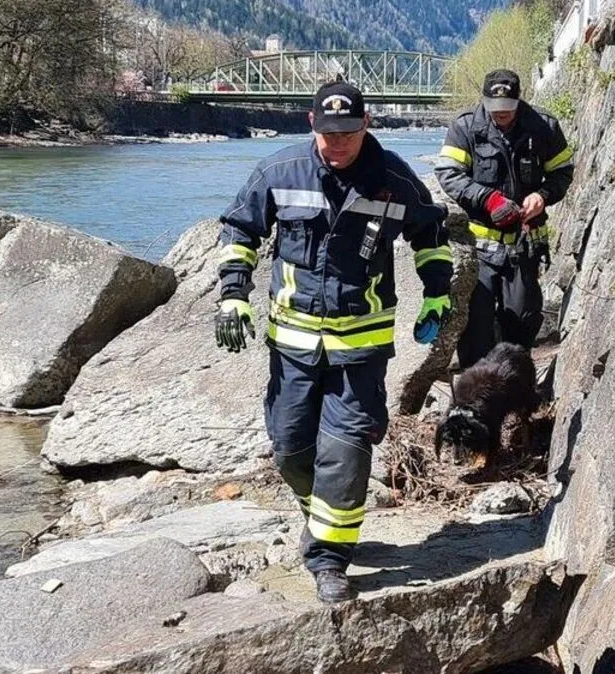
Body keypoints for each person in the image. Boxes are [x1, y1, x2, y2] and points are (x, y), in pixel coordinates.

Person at [213, 81, 454, 603]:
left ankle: (329, 559)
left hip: (360, 350)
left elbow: (430, 233)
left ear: (366, 124)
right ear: (310, 124)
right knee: (290, 451)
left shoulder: (392, 178)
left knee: (345, 452)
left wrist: (438, 292)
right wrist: (233, 294)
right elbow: (238, 231)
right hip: (292, 345)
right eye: (328, 132)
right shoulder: (280, 172)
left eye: (348, 131)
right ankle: (320, 516)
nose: (337, 142)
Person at [435, 69, 575, 368]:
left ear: (518, 100)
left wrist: (543, 195)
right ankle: (475, 396)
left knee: (522, 317)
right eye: (495, 110)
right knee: (476, 326)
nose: (501, 115)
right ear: (484, 102)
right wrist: (488, 199)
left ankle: (512, 387)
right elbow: (448, 173)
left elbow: (562, 172)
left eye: (507, 110)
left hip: (523, 245)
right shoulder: (466, 127)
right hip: (479, 248)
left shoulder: (544, 127)